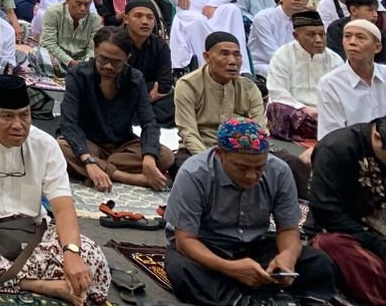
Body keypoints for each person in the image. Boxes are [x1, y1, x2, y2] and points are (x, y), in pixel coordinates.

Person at [0, 75, 109, 306]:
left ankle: (7, 278)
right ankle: (39, 285)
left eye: (24, 115)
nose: (18, 124)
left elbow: (64, 208)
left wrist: (71, 253)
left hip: (32, 234)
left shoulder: (45, 145)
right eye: (7, 116)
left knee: (93, 258)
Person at [165, 116, 337, 306]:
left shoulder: (279, 171)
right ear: (220, 154)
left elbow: (288, 230)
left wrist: (287, 257)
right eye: (242, 168)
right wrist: (230, 268)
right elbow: (185, 240)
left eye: (259, 168)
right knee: (181, 268)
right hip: (208, 247)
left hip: (255, 246)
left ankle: (256, 297)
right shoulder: (194, 173)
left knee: (319, 262)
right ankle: (244, 300)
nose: (251, 176)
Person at [57, 26, 172, 192]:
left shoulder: (135, 79)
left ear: (127, 58)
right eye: (103, 59)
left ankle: (100, 169)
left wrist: (148, 158)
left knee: (165, 156)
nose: (109, 66)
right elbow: (68, 123)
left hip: (122, 145)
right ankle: (129, 177)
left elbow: (149, 122)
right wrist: (88, 159)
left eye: (117, 62)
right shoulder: (78, 75)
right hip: (88, 142)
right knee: (60, 148)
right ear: (95, 52)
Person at [307, 115, 386, 306]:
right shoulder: (335, 149)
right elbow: (325, 210)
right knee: (332, 245)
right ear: (376, 137)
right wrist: (376, 243)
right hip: (345, 231)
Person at [173, 31, 265, 171]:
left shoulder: (249, 88)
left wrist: (245, 159)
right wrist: (211, 162)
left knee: (290, 165)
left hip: (243, 153)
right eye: (225, 54)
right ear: (207, 57)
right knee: (188, 170)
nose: (233, 61)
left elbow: (260, 130)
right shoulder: (188, 85)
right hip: (202, 147)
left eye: (237, 55)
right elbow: (188, 132)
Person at [266, 9, 340, 141]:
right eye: (311, 35)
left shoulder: (334, 59)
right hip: (294, 111)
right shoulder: (282, 55)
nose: (318, 40)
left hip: (323, 114)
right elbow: (277, 91)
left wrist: (323, 112)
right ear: (296, 35)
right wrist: (303, 109)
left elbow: (340, 93)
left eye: (322, 34)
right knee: (276, 109)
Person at [318, 18, 386, 138]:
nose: (352, 42)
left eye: (360, 37)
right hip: (351, 150)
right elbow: (331, 136)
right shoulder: (330, 83)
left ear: (377, 48)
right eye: (347, 36)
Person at [247, 0, 310, 77]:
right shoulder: (264, 17)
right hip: (263, 65)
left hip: (295, 67)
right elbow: (272, 53)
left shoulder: (307, 21)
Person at [38, 0, 100, 75]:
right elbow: (49, 43)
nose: (83, 8)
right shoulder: (53, 12)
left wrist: (85, 64)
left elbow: (92, 49)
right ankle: (76, 75)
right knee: (39, 54)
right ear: (68, 0)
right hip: (58, 57)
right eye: (78, 3)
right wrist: (70, 62)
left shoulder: (95, 19)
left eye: (87, 4)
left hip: (81, 60)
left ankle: (71, 74)